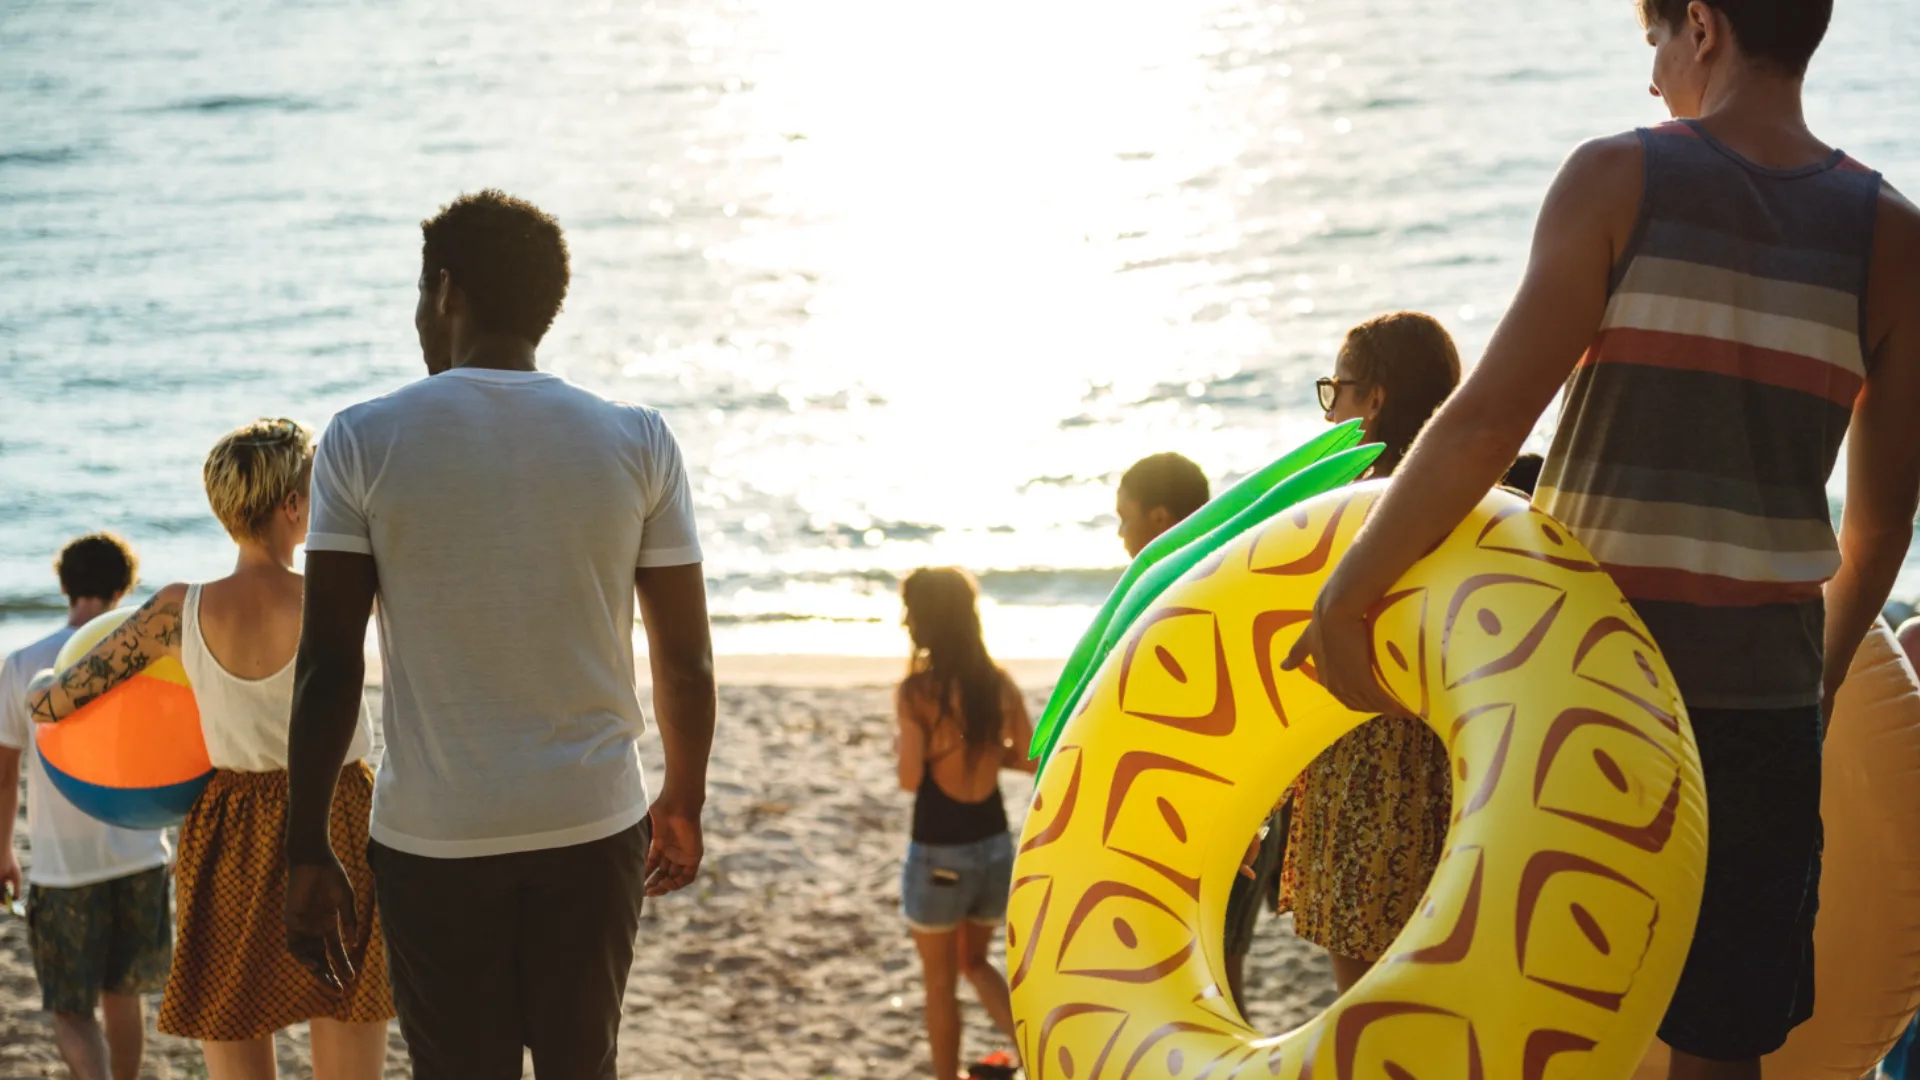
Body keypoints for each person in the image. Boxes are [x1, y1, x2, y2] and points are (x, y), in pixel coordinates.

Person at [1285, 2, 1920, 1077]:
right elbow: (1881, 522)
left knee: (1538, 1024)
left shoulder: (1618, 178)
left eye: (1653, 43)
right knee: (1720, 1045)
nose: (1653, 77)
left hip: (1583, 696)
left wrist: (1348, 591)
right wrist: (1812, 682)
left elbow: (1483, 425)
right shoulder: (1893, 237)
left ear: (1701, 25)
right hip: (1762, 710)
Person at [280, 189, 718, 1080]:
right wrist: (683, 799)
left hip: (436, 835)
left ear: (447, 290)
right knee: (581, 1065)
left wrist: (307, 843)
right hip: (593, 821)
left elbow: (328, 663)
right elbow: (685, 659)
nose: (418, 314)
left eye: (420, 291)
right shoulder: (638, 439)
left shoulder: (362, 440)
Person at [28, 423, 392, 1080]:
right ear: (291, 505)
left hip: (231, 829)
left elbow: (55, 703)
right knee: (346, 1001)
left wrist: (41, 683)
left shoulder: (178, 610)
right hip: (338, 815)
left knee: (232, 1017)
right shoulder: (334, 593)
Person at [1285, 312, 1460, 992]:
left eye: (1338, 391)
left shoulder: (1347, 513)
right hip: (1450, 770)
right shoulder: (1472, 501)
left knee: (1365, 992)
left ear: (1376, 399)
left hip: (1365, 768)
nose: (1331, 413)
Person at [0, 535, 169, 1080]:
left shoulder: (23, 663)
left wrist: (3, 852)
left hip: (64, 866)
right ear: (124, 589)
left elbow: (5, 775)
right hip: (141, 854)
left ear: (64, 585)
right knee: (124, 994)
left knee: (71, 1008)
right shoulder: (147, 660)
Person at [894, 568, 1034, 1080]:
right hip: (994, 847)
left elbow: (910, 779)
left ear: (927, 620)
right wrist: (986, 751)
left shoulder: (916, 692)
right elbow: (1030, 756)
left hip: (938, 852)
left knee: (940, 983)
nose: (904, 621)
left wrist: (910, 746)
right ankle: (1039, 1058)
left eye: (910, 612)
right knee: (976, 962)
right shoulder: (998, 683)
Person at [1115, 452, 1210, 559]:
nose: (1120, 533)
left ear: (1160, 519)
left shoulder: (1172, 569)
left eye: (1125, 520)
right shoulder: (1217, 561)